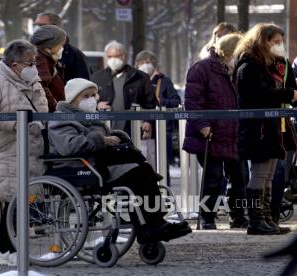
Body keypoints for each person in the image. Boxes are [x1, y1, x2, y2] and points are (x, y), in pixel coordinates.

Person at [48, 78, 191, 245]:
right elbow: (69, 146)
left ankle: (153, 224)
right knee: (138, 174)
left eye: (93, 95)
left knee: (141, 169)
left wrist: (113, 138)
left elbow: (99, 140)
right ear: (72, 99)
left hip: (97, 163)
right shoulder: (61, 118)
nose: (91, 99)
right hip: (79, 167)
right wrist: (101, 139)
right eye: (85, 96)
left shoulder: (91, 117)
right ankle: (151, 226)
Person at [0, 39, 48, 266]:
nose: (33, 66)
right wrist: (15, 123)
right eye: (29, 62)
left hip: (31, 150)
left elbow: (42, 111)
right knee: (10, 202)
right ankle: (9, 251)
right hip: (6, 149)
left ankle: (10, 251)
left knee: (23, 202)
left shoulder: (34, 82)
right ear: (15, 64)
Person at [235, 23, 297, 235]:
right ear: (262, 41)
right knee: (260, 172)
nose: (279, 45)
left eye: (280, 41)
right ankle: (256, 220)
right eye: (275, 41)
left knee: (270, 174)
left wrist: (295, 97)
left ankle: (266, 218)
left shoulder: (279, 64)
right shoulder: (249, 64)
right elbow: (257, 94)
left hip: (275, 126)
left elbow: (288, 90)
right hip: (257, 127)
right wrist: (288, 94)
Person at [183, 34, 249, 229]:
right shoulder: (201, 68)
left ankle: (237, 216)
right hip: (210, 134)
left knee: (239, 179)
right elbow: (193, 102)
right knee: (213, 179)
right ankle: (207, 217)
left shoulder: (237, 70)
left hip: (233, 133)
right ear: (230, 52)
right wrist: (202, 125)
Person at [134, 50, 182, 186]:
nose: (145, 65)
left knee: (161, 166)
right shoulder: (134, 81)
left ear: (154, 63)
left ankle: (164, 195)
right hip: (138, 130)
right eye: (141, 63)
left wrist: (161, 101)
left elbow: (176, 101)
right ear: (136, 65)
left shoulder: (164, 81)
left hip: (161, 131)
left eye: (147, 62)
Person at [91, 40, 156, 133]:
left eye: (116, 56)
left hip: (133, 128)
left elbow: (150, 103)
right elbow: (86, 100)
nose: (112, 60)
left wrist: (148, 121)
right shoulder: (96, 77)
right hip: (104, 129)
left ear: (124, 56)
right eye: (109, 56)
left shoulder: (140, 77)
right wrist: (96, 105)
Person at [34, 11, 90, 83]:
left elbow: (84, 86)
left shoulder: (75, 55)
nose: (37, 29)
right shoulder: (30, 53)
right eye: (36, 25)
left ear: (56, 27)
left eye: (41, 25)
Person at [30, 25, 67, 112]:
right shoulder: (40, 59)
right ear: (52, 45)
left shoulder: (46, 59)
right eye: (60, 45)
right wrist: (56, 110)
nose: (62, 48)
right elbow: (42, 87)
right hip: (49, 115)